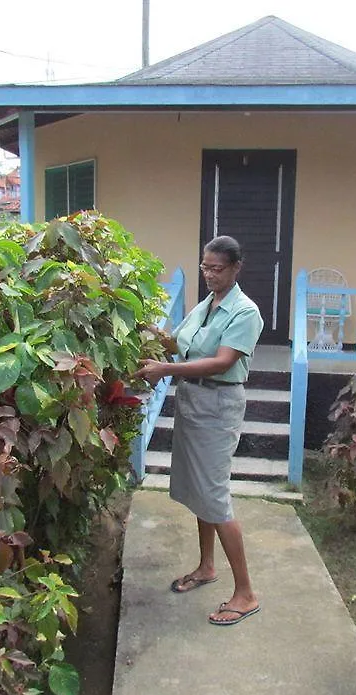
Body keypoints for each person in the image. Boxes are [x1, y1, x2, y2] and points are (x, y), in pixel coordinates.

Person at [136, 235, 264, 626]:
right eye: (205, 267)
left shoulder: (245, 312)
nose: (209, 274)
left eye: (217, 268)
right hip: (193, 402)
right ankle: (207, 566)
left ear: (235, 268)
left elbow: (221, 362)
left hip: (218, 405)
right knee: (196, 489)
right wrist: (144, 328)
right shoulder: (206, 305)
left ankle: (246, 593)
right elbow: (181, 342)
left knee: (214, 494)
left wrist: (166, 369)